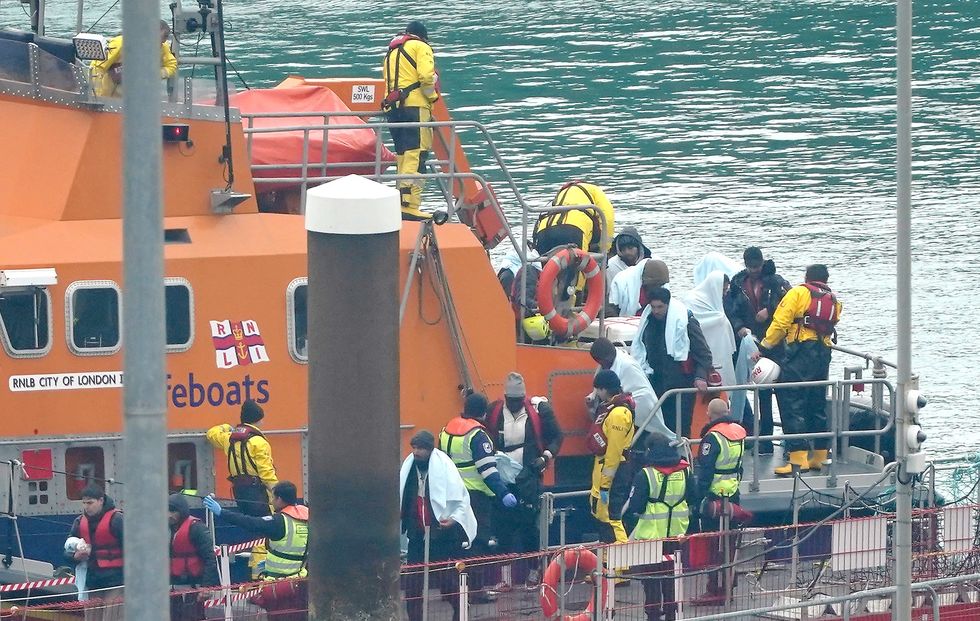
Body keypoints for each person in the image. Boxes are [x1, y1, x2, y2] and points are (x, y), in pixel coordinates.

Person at [753, 264, 841, 476]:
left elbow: (780, 322)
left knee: (791, 403)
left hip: (799, 354)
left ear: (807, 277)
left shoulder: (798, 292)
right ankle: (820, 457)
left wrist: (764, 346)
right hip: (823, 354)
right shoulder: (833, 299)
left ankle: (798, 459)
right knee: (817, 403)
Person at [485, 372, 563, 590]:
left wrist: (545, 457)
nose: (515, 405)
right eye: (511, 401)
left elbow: (558, 436)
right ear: (505, 396)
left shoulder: (539, 411)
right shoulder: (495, 411)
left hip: (528, 475)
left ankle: (534, 570)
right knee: (503, 527)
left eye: (518, 401)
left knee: (529, 526)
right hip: (503, 478)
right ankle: (505, 578)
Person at [439, 392, 517, 601]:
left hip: (451, 495)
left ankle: (452, 590)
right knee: (478, 542)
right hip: (475, 497)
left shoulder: (446, 430)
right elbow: (488, 471)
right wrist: (504, 493)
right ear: (483, 412)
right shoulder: (478, 435)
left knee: (456, 543)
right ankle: (475, 592)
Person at [399, 430, 477, 621]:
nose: (416, 452)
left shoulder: (444, 466)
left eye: (421, 449)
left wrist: (454, 519)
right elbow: (401, 496)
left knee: (445, 579)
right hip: (416, 534)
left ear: (430, 449)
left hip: (440, 535)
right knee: (412, 583)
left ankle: (460, 612)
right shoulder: (409, 468)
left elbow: (460, 498)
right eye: (414, 448)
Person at [203, 482, 309, 620]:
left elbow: (249, 522)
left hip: (278, 586)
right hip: (300, 582)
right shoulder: (305, 518)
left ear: (279, 499)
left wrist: (221, 512)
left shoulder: (278, 521)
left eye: (273, 497)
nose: (271, 501)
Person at [726, 247, 790, 454]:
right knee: (761, 393)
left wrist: (769, 311)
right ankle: (765, 441)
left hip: (778, 345)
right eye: (750, 267)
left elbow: (789, 306)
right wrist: (739, 328)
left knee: (782, 393)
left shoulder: (777, 282)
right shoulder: (738, 284)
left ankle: (789, 438)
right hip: (752, 342)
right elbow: (731, 311)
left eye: (757, 266)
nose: (754, 270)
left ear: (762, 263)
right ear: (745, 264)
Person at [623, 433, 693, 621]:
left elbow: (636, 505)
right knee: (671, 578)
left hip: (651, 535)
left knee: (651, 579)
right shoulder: (685, 471)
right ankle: (672, 614)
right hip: (677, 534)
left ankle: (653, 615)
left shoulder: (645, 474)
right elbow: (693, 496)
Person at [631, 287, 714, 438]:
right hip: (656, 382)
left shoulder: (685, 322)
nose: (656, 311)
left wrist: (700, 376)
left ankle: (683, 459)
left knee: (681, 427)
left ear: (668, 305)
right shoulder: (648, 322)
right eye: (653, 307)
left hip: (681, 383)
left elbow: (704, 353)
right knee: (656, 427)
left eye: (660, 307)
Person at [382, 20, 439, 221]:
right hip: (415, 107)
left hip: (393, 108)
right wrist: (432, 97)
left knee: (403, 155)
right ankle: (409, 204)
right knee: (417, 154)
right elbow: (426, 77)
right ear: (422, 36)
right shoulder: (421, 47)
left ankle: (399, 200)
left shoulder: (392, 51)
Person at [691, 399, 746, 606]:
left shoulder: (712, 438)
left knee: (714, 545)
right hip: (733, 495)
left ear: (709, 414)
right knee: (730, 543)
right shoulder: (738, 433)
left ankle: (714, 590)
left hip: (714, 498)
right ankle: (729, 584)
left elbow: (705, 472)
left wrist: (697, 499)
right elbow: (739, 466)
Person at [588, 337, 674, 444]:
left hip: (640, 406)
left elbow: (622, 391)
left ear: (603, 359)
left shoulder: (627, 365)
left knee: (644, 438)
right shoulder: (613, 362)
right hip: (629, 409)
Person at [206, 400, 278, 517]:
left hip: (240, 493)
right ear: (258, 420)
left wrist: (226, 427)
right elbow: (267, 474)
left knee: (247, 523)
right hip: (259, 494)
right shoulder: (259, 442)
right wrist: (279, 495)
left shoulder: (229, 439)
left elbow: (211, 433)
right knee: (264, 527)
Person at [588, 369, 636, 544]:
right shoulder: (610, 409)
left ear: (603, 389)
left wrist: (606, 485)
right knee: (603, 518)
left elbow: (614, 452)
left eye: (597, 390)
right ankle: (609, 562)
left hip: (614, 471)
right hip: (603, 469)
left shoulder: (618, 414)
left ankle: (621, 564)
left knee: (612, 519)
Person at [65, 484, 124, 621]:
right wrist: (75, 556)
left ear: (101, 500)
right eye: (84, 503)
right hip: (93, 581)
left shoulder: (117, 520)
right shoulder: (79, 522)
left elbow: (132, 549)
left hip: (116, 581)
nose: (86, 507)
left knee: (113, 617)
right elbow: (66, 551)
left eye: (90, 503)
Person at [90, 20, 178, 98]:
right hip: (107, 93)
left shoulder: (162, 47)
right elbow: (97, 67)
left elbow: (172, 65)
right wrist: (96, 95)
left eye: (161, 42)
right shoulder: (120, 43)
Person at [168, 493, 220, 621]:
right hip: (172, 588)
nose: (169, 514)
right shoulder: (167, 529)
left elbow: (209, 558)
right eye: (167, 510)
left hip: (193, 587)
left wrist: (206, 586)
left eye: (173, 511)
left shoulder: (197, 528)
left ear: (181, 511)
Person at [532, 181, 615, 256]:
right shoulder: (595, 190)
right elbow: (607, 219)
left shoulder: (562, 193)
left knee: (545, 269)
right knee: (580, 268)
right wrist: (605, 250)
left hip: (544, 230)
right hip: (574, 228)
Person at [684, 270, 736, 387]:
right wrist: (719, 321)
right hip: (698, 353)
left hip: (719, 350)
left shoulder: (717, 302)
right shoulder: (692, 300)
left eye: (725, 290)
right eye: (722, 290)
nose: (724, 294)